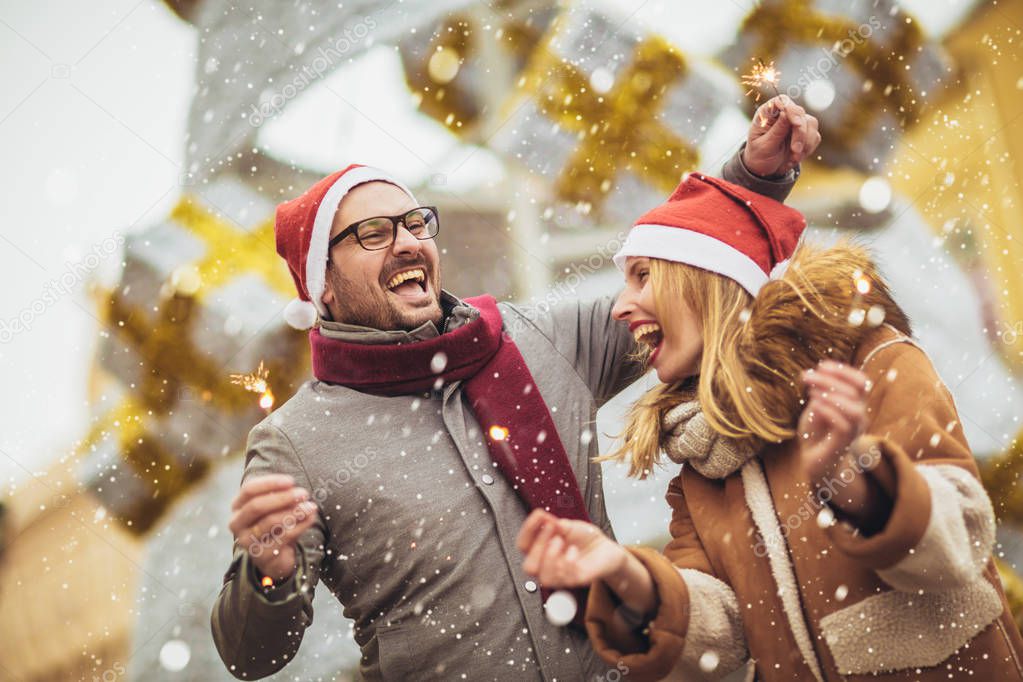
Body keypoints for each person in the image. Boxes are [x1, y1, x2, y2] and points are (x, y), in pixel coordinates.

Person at [210, 96, 821, 681]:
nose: (406, 242)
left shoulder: (534, 338)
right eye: (372, 234)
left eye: (414, 222)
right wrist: (267, 575)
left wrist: (751, 179)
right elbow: (251, 657)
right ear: (324, 285)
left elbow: (676, 289)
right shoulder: (294, 443)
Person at [516, 172, 1023, 680]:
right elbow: (724, 632)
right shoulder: (700, 460)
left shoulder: (871, 364)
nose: (619, 306)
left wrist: (853, 481)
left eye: (643, 276)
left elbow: (962, 542)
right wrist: (629, 577)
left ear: (705, 278)